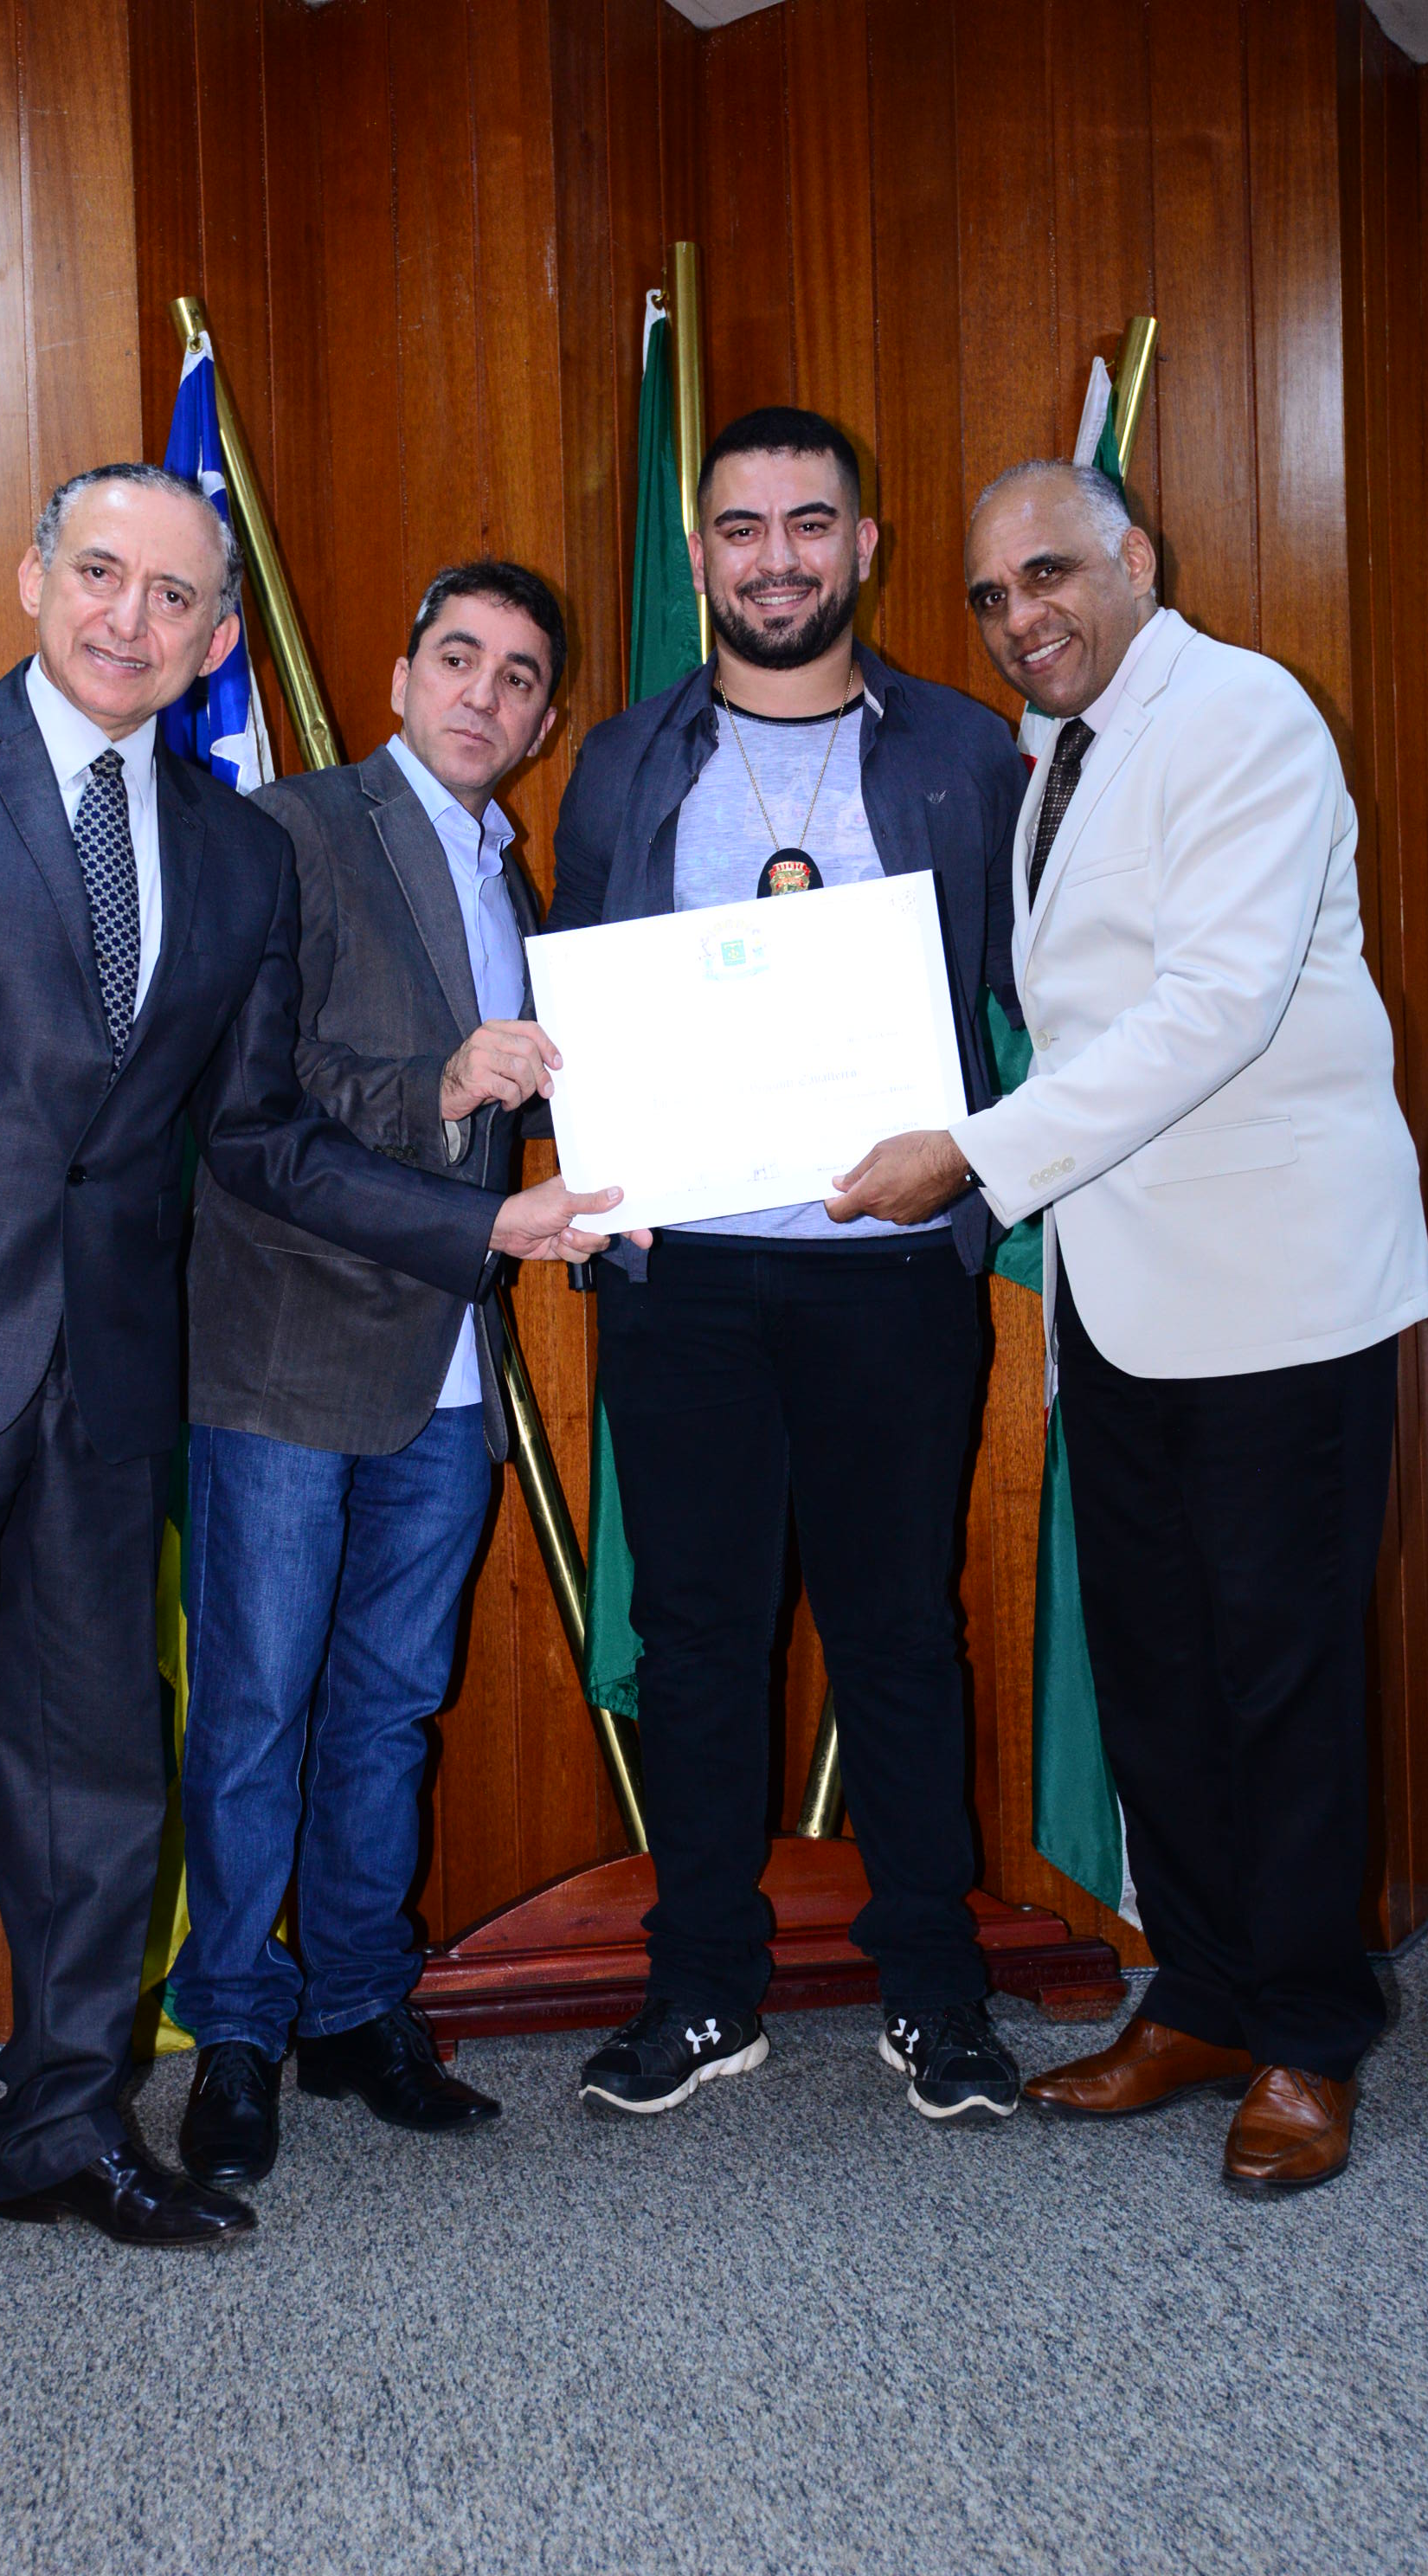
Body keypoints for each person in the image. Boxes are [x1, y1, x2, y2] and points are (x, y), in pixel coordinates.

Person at [0, 465, 621, 2352]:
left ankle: (67, 2128)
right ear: (33, 578)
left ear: (219, 638)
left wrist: (484, 1224)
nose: (127, 619)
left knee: (100, 1784)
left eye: (171, 597)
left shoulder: (232, 852)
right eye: (99, 574)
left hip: (117, 1394)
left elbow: (261, 1138)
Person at [834, 459, 1428, 2193]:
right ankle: (1207, 1995)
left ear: (1135, 562)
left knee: (1283, 1678)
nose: (1021, 617)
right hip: (1122, 1292)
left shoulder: (1240, 713)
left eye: (1050, 575)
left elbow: (1211, 1007)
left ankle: (1308, 2032)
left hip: (1278, 1292)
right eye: (990, 596)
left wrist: (970, 1153)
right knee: (1159, 1668)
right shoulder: (1056, 754)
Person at [549, 406, 1029, 2124]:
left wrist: (977, 1173)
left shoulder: (963, 751)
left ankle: (934, 1989)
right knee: (696, 1637)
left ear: (864, 545)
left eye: (808, 524)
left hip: (887, 1271)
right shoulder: (623, 761)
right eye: (741, 530)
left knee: (897, 1629)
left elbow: (1032, 996)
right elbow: (582, 993)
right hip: (683, 1279)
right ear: (699, 559)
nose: (776, 559)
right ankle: (702, 1990)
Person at [171, 562, 570, 2179]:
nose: (484, 693)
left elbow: (532, 1108)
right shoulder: (293, 829)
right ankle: (235, 2031)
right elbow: (253, 1111)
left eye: (520, 677)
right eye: (459, 658)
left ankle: (352, 2008)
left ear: (543, 721)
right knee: (256, 1707)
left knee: (392, 1710)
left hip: (452, 1367)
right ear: (402, 677)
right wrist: (446, 1087)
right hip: (287, 1356)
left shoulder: (515, 881)